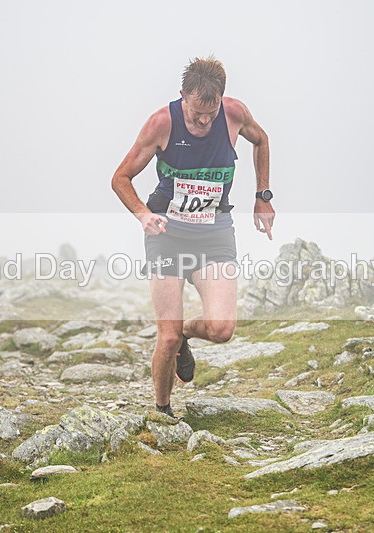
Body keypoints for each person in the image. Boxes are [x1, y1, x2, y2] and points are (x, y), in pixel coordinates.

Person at [111, 56, 274, 422]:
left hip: (214, 234)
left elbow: (261, 140)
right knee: (165, 340)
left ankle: (185, 330)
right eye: (196, 113)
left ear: (222, 99)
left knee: (221, 329)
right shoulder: (160, 124)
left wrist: (263, 196)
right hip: (167, 235)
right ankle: (162, 410)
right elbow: (120, 178)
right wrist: (143, 214)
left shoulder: (233, 114)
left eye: (210, 112)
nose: (203, 121)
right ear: (182, 96)